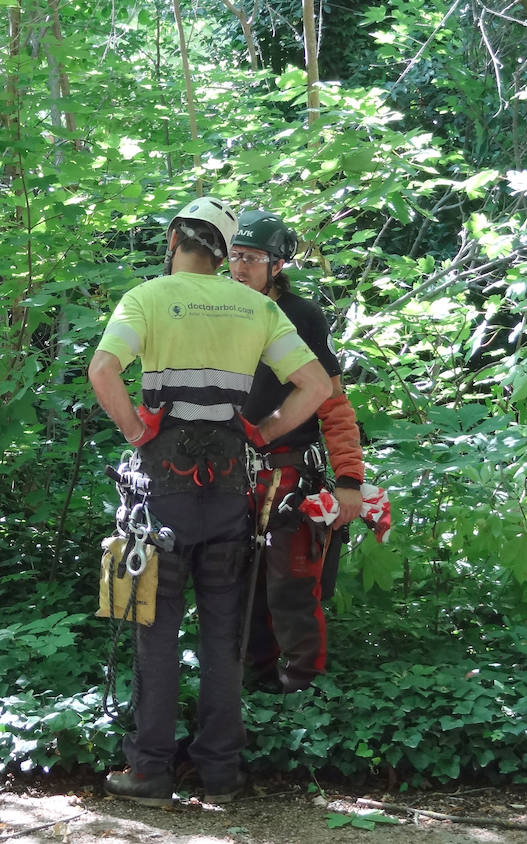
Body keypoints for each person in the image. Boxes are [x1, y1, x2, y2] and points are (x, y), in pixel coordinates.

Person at [88, 196, 332, 807]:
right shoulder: (256, 307)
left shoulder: (147, 298)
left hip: (160, 489)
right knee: (224, 634)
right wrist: (266, 432)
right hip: (228, 486)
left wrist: (137, 430)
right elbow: (316, 386)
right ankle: (221, 772)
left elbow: (103, 370)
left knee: (155, 630)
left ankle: (150, 769)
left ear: (174, 239)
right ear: (225, 254)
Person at [228, 209, 365, 694]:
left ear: (277, 265)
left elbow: (333, 403)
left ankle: (302, 690)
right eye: (235, 256)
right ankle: (253, 684)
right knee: (237, 586)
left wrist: (349, 480)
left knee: (290, 586)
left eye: (252, 258)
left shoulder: (300, 316)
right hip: (229, 474)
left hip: (288, 475)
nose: (240, 267)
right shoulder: (215, 308)